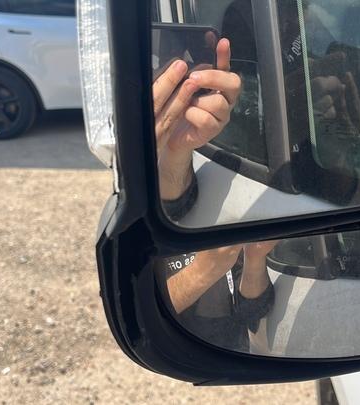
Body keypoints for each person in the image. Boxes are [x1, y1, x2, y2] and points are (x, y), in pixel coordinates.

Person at [151, 37, 277, 352]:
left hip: (231, 346)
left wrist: (255, 257)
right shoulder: (142, 196)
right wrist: (204, 269)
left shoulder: (235, 172)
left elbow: (252, 312)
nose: (186, 93)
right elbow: (135, 314)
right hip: (187, 351)